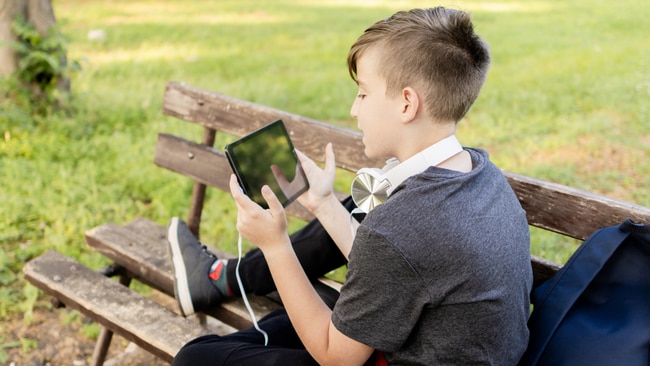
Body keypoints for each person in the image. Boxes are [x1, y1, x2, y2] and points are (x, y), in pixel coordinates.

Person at [167, 7, 532, 365]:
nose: (354, 109)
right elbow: (402, 266)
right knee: (289, 319)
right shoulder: (480, 172)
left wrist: (275, 245)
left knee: (194, 357)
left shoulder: (401, 226)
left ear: (407, 104)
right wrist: (324, 203)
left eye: (362, 93)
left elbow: (336, 358)